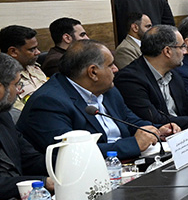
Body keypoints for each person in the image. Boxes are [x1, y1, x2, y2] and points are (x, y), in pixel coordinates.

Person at [18, 40, 175, 160]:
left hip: (124, 164)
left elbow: (128, 120)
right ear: (93, 72)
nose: (116, 69)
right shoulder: (49, 102)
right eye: (110, 65)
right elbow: (70, 154)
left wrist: (157, 130)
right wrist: (134, 145)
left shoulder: (108, 90)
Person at [113, 25, 188, 131]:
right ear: (167, 51)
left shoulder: (174, 74)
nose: (185, 52)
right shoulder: (130, 79)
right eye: (182, 47)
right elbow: (156, 120)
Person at [0, 53, 49, 200]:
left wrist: (66, 164)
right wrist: (43, 182)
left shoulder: (4, 116)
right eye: (16, 84)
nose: (20, 90)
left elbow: (29, 158)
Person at [0, 25, 47, 117]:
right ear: (13, 52)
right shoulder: (7, 79)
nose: (38, 52)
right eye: (32, 49)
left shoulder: (33, 67)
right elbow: (18, 115)